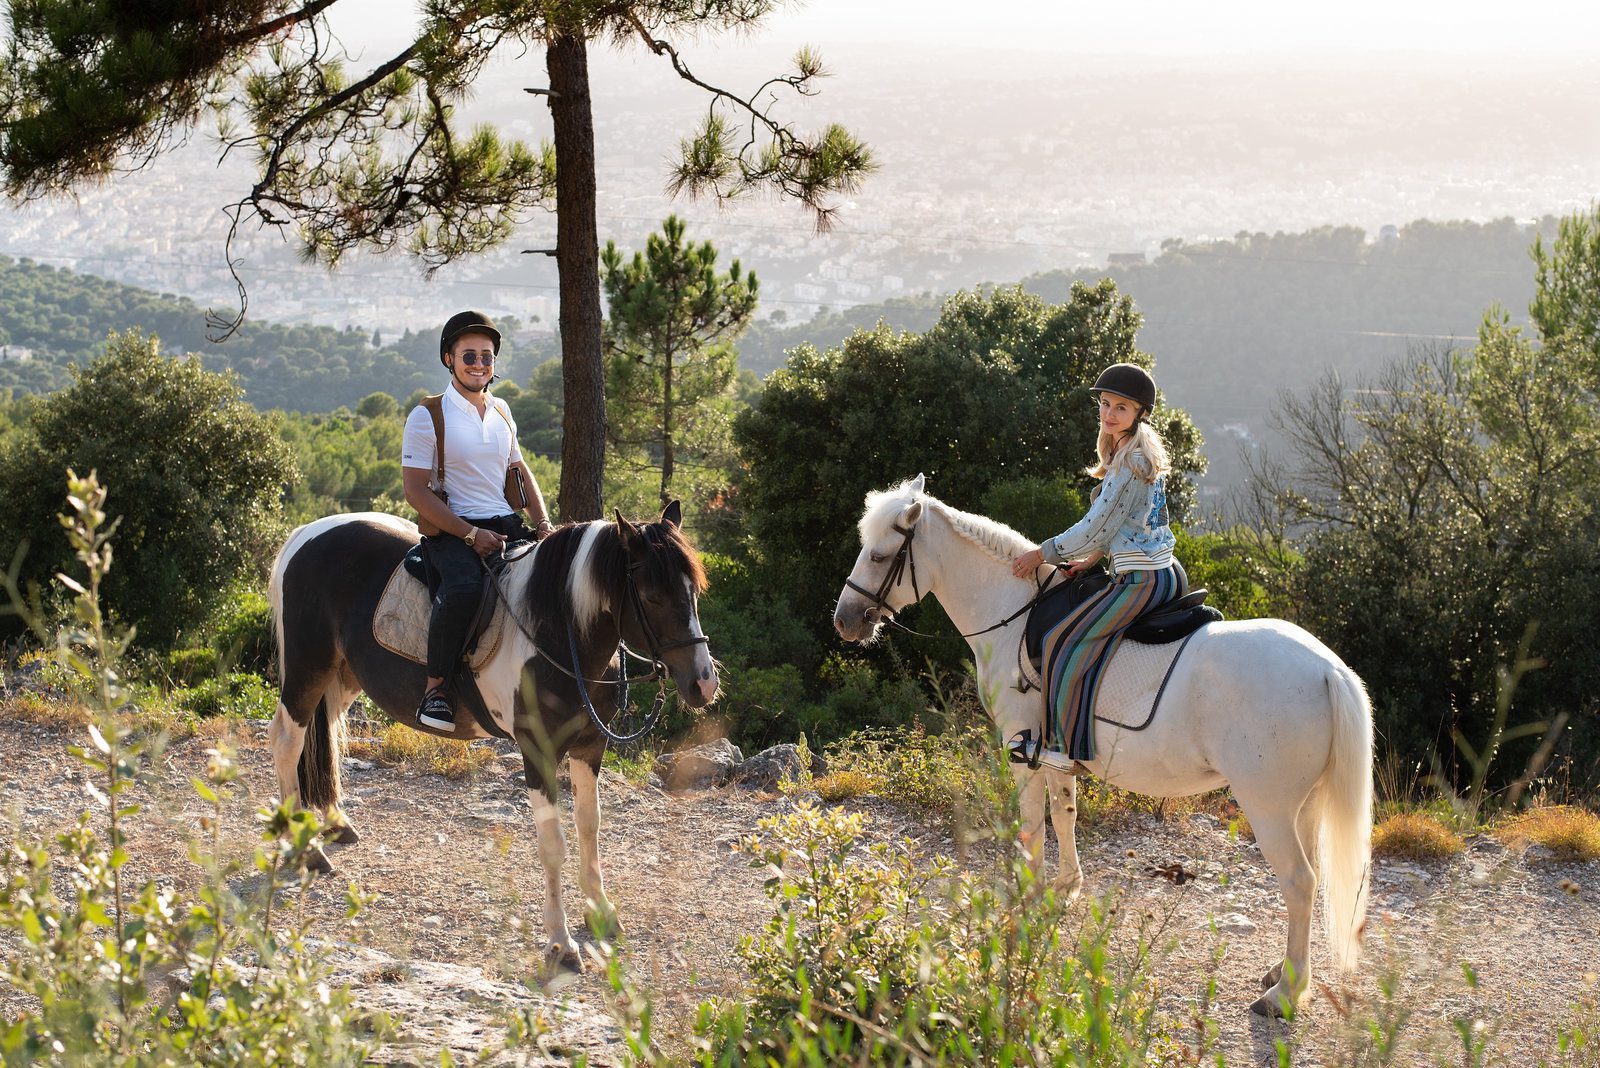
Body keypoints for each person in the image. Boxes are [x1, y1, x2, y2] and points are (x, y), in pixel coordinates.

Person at [1009, 363, 1181, 761]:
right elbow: (1120, 525)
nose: (1108, 414)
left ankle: (1058, 749)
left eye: (1121, 407)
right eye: (1105, 404)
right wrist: (1091, 560)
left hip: (1140, 579)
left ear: (1139, 413)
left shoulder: (1129, 464)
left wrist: (1042, 553)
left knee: (1060, 642)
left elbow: (1092, 526)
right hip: (1165, 569)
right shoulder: (1137, 453)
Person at [401, 310, 553, 730]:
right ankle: (435, 692)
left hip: (504, 524)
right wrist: (469, 534)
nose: (479, 365)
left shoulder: (503, 410)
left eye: (487, 357)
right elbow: (415, 492)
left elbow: (521, 473)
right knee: (465, 590)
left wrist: (543, 525)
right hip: (452, 529)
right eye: (469, 356)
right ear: (449, 358)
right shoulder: (428, 415)